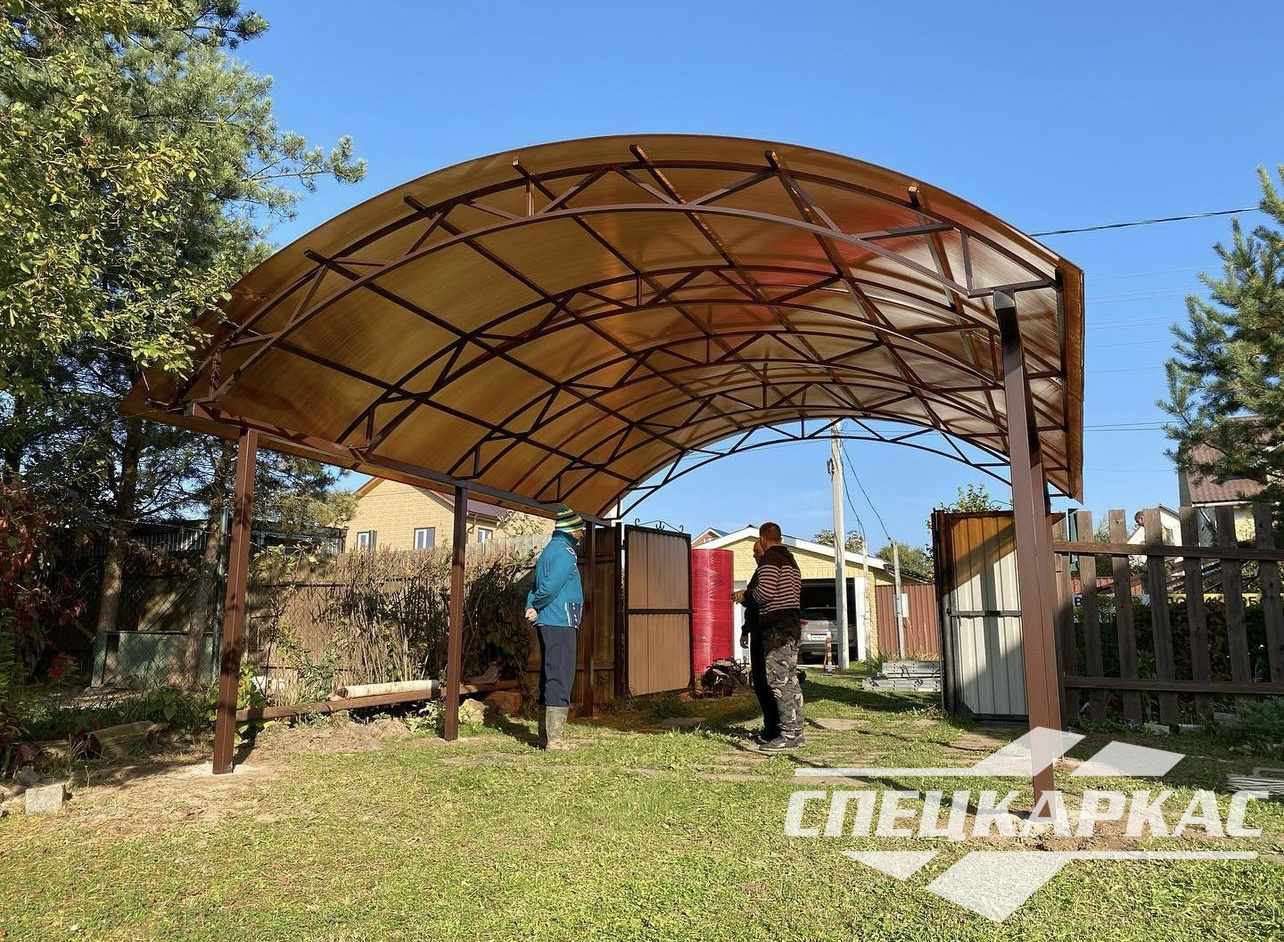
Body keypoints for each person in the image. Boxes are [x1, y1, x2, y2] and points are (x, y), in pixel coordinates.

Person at [525, 504, 585, 749]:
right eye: (580, 530)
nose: (582, 534)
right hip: (560, 620)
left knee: (550, 674)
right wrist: (537, 605)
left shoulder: (549, 551)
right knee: (560, 675)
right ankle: (555, 740)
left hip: (549, 620)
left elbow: (536, 585)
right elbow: (550, 587)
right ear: (570, 531)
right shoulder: (564, 553)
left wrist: (531, 605)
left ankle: (545, 736)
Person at [749, 521, 804, 751]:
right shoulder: (791, 561)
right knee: (791, 680)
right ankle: (796, 732)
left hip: (776, 631)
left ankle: (788, 735)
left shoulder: (770, 559)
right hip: (791, 627)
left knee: (779, 682)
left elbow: (765, 593)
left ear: (763, 538)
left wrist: (746, 595)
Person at [739, 538, 781, 745]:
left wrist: (745, 595)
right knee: (761, 681)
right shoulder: (760, 572)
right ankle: (772, 726)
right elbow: (751, 608)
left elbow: (761, 597)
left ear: (766, 548)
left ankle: (773, 728)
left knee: (767, 682)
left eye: (757, 551)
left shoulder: (769, 569)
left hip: (769, 632)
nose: (754, 555)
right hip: (757, 630)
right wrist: (745, 630)